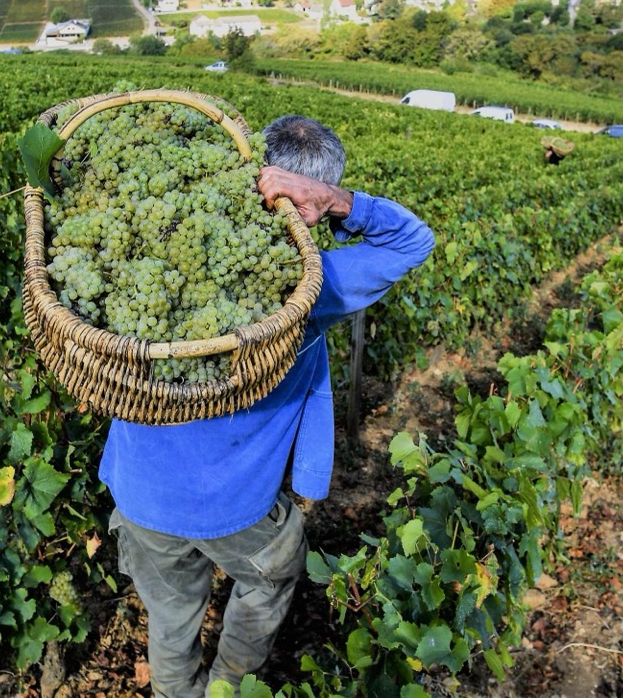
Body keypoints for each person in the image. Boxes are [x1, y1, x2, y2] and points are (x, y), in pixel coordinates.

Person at [98, 114, 435, 698]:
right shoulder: (307, 289)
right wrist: (335, 202)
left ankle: (177, 693)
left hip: (141, 490)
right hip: (236, 505)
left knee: (171, 612)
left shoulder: (144, 252)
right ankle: (229, 686)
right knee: (274, 574)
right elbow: (413, 241)